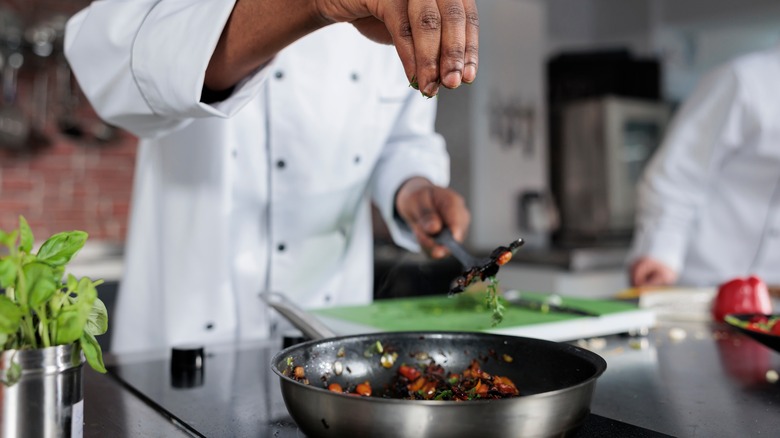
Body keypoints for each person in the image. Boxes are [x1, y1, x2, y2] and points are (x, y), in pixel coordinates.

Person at [64, 0, 478, 354]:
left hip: (329, 332)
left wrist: (413, 187)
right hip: (185, 331)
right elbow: (105, 65)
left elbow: (403, 137)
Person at [628, 43, 780, 288]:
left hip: (772, 300)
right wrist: (660, 252)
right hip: (701, 288)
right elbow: (678, 175)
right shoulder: (745, 81)